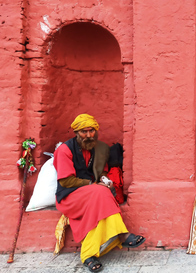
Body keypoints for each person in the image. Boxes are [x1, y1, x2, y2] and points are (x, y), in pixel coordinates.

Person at [54, 114, 145, 272]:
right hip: (70, 196)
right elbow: (66, 181)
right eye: (84, 132)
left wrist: (105, 179)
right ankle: (121, 235)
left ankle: (88, 255)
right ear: (76, 132)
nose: (89, 135)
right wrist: (93, 184)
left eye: (92, 131)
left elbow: (102, 171)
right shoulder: (65, 150)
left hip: (93, 193)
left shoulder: (97, 148)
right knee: (101, 192)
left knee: (103, 194)